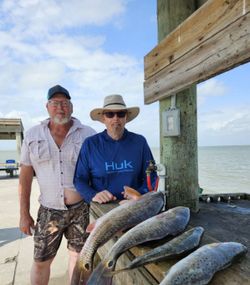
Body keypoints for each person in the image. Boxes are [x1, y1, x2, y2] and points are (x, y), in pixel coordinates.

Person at [18, 85, 96, 285]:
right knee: (41, 261)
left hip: (82, 210)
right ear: (47, 106)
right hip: (48, 211)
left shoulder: (88, 134)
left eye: (64, 103)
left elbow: (99, 170)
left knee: (77, 259)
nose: (60, 107)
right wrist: (24, 214)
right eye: (55, 103)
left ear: (71, 106)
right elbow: (25, 176)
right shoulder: (33, 135)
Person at [73, 94, 157, 204]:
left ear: (126, 117)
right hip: (101, 208)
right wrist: (93, 195)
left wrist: (138, 195)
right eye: (110, 114)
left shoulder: (140, 142)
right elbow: (79, 179)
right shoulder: (90, 144)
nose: (116, 118)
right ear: (103, 118)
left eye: (120, 114)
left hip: (134, 207)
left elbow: (152, 176)